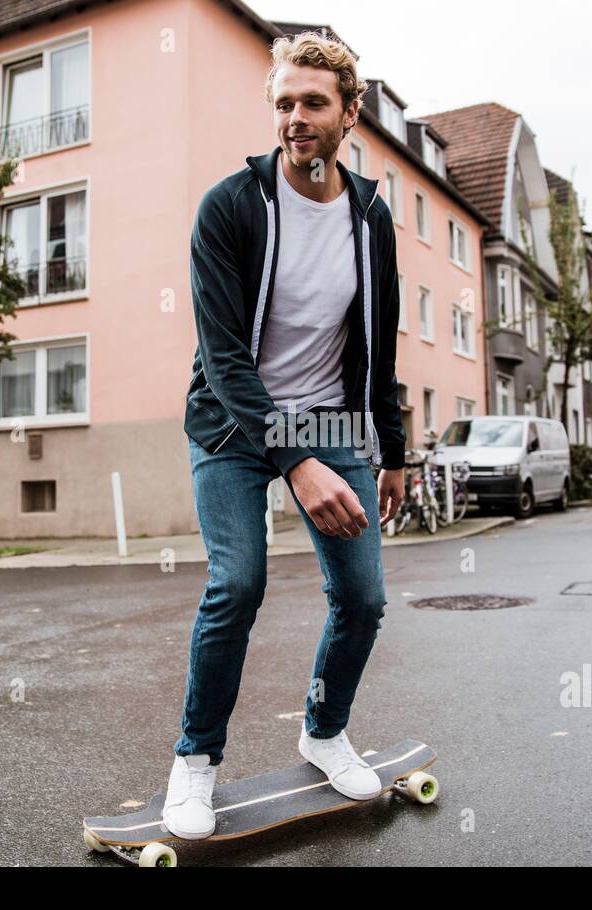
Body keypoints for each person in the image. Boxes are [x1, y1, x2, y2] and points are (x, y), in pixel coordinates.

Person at [166, 31, 407, 840]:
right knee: (237, 585)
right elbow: (225, 356)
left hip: (333, 420)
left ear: (349, 114)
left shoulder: (372, 217)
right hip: (233, 420)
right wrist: (294, 459)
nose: (295, 119)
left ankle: (324, 730)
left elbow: (380, 344)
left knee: (365, 598)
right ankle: (196, 761)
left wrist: (393, 450)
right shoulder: (230, 207)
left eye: (313, 103)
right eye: (283, 103)